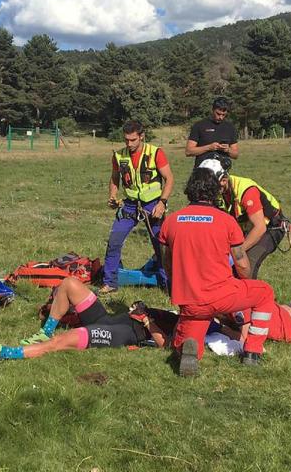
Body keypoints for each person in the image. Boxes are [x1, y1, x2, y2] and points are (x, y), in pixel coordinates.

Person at [158, 168, 278, 375]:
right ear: (215, 192)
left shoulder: (171, 221)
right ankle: (252, 352)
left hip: (189, 301)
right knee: (264, 292)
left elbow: (167, 263)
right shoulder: (226, 221)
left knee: (186, 341)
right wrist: (245, 283)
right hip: (222, 296)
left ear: (189, 191)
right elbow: (241, 263)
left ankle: (188, 350)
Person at [0, 276, 175, 361]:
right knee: (70, 283)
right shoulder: (181, 314)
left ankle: (3, 353)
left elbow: (166, 345)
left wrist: (147, 320)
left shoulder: (184, 327)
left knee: (61, 341)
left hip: (118, 334)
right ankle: (45, 332)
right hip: (107, 319)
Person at [103, 120, 174, 294]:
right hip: (129, 205)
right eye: (126, 140)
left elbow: (170, 179)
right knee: (114, 242)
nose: (129, 144)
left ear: (142, 136)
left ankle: (169, 285)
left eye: (133, 140)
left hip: (153, 204)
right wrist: (112, 196)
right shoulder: (119, 156)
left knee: (161, 246)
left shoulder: (156, 153)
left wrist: (162, 203)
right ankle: (110, 282)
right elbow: (115, 178)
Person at [199, 158, 288, 280]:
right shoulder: (217, 191)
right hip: (245, 226)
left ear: (224, 180)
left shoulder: (246, 190)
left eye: (210, 186)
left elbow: (260, 227)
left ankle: (251, 295)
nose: (207, 190)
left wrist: (236, 252)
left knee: (246, 264)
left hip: (270, 227)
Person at [186, 97, 240, 167]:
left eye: (223, 115)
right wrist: (208, 147)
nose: (220, 117)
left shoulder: (230, 128)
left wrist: (228, 150)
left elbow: (235, 155)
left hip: (222, 172)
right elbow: (188, 151)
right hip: (202, 171)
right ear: (213, 110)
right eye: (218, 114)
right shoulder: (199, 126)